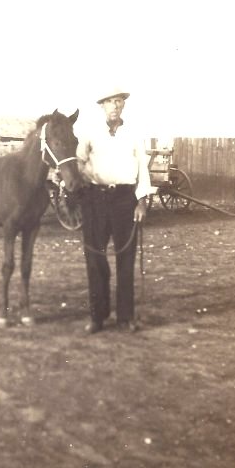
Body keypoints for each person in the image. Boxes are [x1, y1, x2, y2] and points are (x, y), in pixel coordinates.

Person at [74, 85, 153, 334]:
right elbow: (78, 162)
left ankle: (125, 318)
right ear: (102, 106)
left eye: (119, 101)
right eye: (110, 102)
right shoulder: (89, 133)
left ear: (124, 106)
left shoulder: (134, 133)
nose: (115, 106)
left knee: (125, 259)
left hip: (124, 200)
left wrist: (141, 201)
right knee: (95, 258)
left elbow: (143, 168)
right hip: (95, 200)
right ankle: (98, 316)